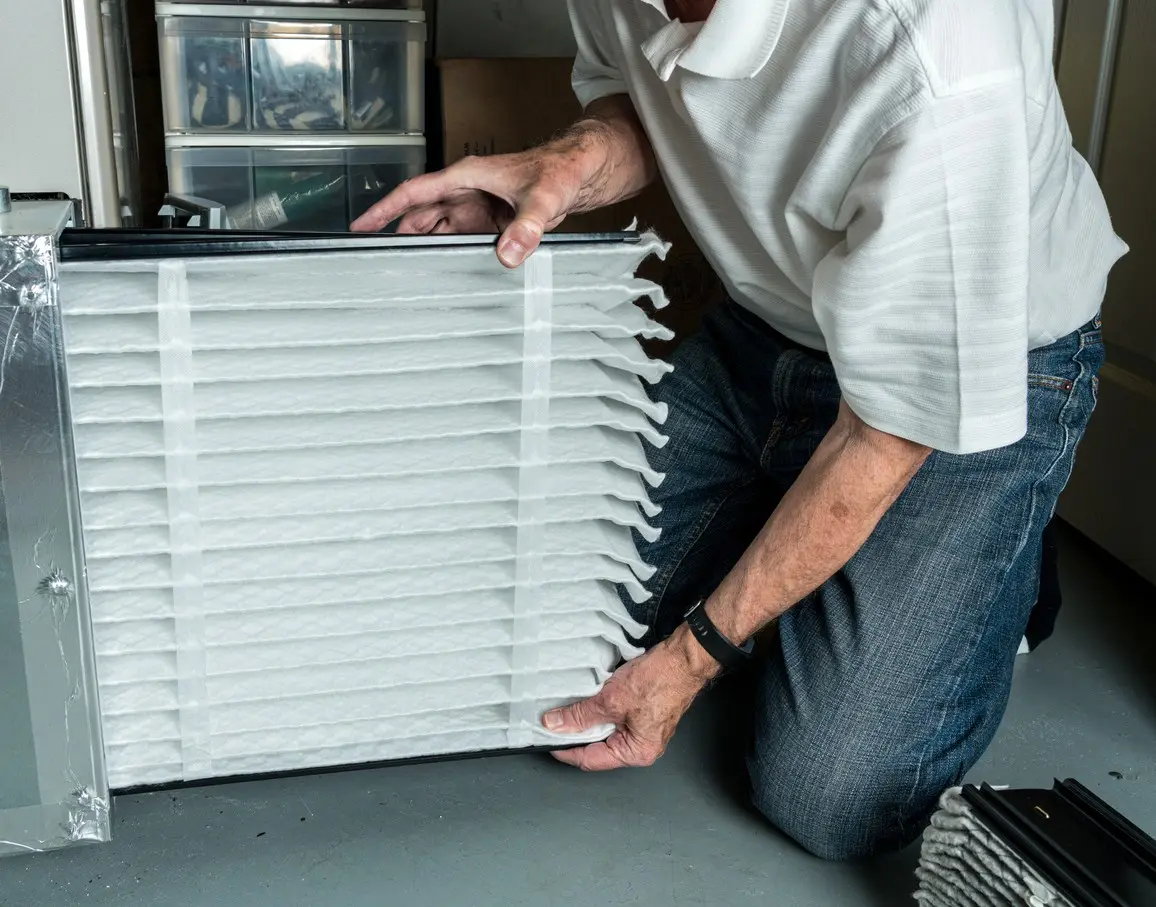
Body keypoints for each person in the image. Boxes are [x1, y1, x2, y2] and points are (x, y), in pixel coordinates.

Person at [353, 0, 1127, 860]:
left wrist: (694, 656)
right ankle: (811, 524)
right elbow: (649, 99)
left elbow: (887, 434)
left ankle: (1002, 540)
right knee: (540, 640)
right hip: (766, 331)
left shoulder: (937, 50)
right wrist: (568, 164)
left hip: (971, 366)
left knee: (830, 793)